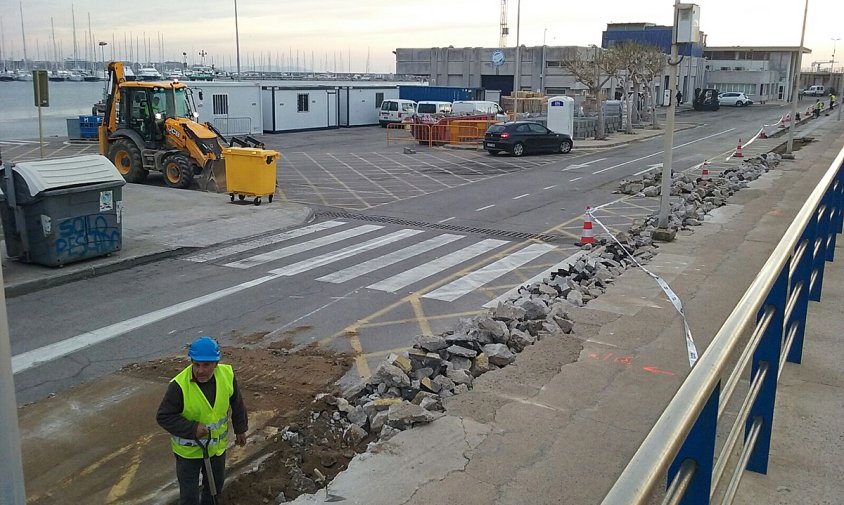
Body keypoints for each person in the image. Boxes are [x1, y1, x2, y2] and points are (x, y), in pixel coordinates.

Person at [157, 337, 248, 505]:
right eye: (196, 364)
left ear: (216, 363)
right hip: (188, 453)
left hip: (215, 450)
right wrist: (192, 429)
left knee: (214, 490)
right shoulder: (179, 386)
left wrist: (240, 429)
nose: (200, 371)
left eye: (206, 365)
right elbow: (164, 416)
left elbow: (237, 402)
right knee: (190, 497)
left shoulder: (227, 375)